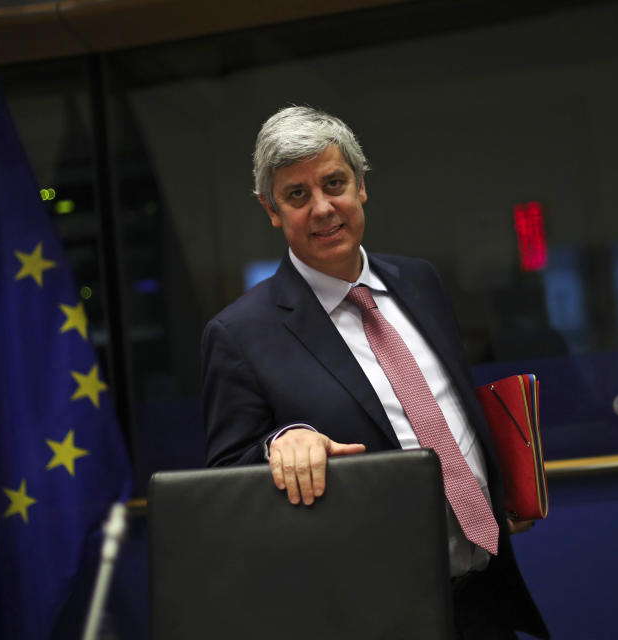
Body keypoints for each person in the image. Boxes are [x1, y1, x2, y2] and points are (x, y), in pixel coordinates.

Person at [201, 105, 549, 640]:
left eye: (334, 183)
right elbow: (227, 483)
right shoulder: (240, 335)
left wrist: (497, 485)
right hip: (371, 617)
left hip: (487, 597)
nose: (322, 208)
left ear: (361, 185)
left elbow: (449, 409)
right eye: (297, 195)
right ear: (271, 210)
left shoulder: (420, 281)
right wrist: (283, 440)